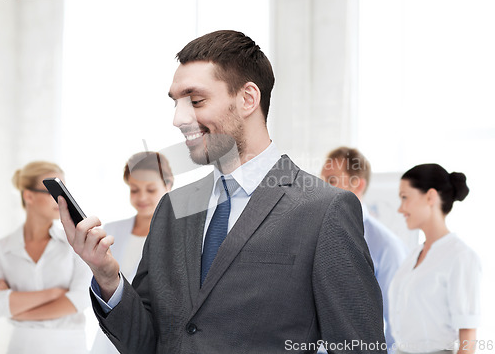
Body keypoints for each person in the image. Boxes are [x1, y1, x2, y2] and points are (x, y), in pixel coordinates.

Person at [58, 30, 386, 354]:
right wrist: (107, 276)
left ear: (247, 99)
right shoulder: (174, 207)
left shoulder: (323, 209)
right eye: (176, 103)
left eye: (195, 101)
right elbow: (148, 343)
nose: (178, 118)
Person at [0, 161, 90, 354]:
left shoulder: (76, 243)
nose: (61, 200)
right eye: (53, 192)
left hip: (69, 345)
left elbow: (80, 299)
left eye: (64, 191)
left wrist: (18, 311)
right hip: (21, 346)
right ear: (28, 195)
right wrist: (54, 293)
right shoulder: (1, 249)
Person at [320, 147, 408, 353]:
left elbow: (396, 322)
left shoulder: (386, 246)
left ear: (358, 184)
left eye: (331, 181)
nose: (322, 188)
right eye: (321, 180)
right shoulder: (313, 234)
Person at [389, 164, 481, 354]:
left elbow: (468, 337)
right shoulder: (414, 255)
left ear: (430, 196)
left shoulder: (460, 256)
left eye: (405, 198)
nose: (400, 209)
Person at [91, 151, 173, 354]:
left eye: (151, 189)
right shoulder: (112, 230)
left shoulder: (178, 233)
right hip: (110, 336)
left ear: (168, 185)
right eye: (134, 190)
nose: (142, 197)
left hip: (151, 336)